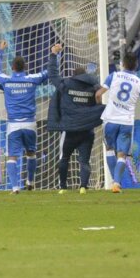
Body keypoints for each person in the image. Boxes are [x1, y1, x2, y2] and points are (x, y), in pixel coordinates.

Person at [0, 41, 57, 193]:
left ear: (12, 68)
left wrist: (0, 51)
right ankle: (30, 181)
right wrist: (55, 54)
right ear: (25, 67)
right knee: (31, 153)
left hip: (13, 124)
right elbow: (49, 71)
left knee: (12, 157)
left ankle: (15, 188)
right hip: (30, 124)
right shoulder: (32, 79)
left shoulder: (6, 80)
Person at [96, 53, 140, 193]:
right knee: (122, 155)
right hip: (126, 122)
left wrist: (101, 108)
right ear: (136, 65)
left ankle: (114, 182)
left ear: (122, 64)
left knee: (109, 150)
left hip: (110, 120)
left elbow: (98, 94)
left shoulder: (113, 76)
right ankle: (117, 182)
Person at [48, 51, 105, 194]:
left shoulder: (66, 84)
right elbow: (100, 99)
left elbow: (53, 76)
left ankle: (62, 187)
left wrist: (53, 56)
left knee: (64, 158)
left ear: (74, 75)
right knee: (84, 161)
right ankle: (83, 187)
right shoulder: (94, 87)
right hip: (87, 131)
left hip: (69, 130)